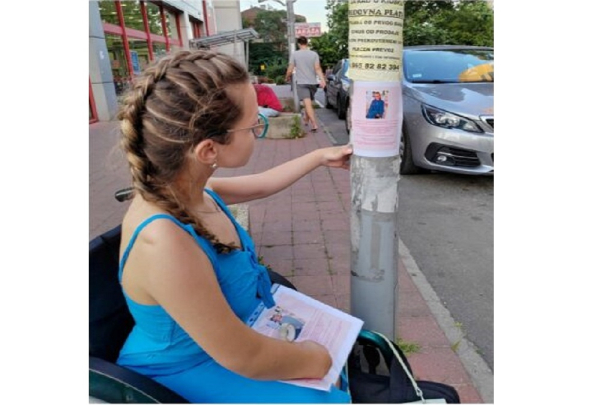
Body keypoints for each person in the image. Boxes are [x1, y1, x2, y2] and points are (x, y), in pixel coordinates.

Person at [115, 49, 353, 403]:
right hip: (183, 366)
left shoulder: (191, 191)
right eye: (255, 124)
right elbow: (246, 357)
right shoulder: (164, 240)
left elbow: (263, 183)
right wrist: (318, 357)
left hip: (228, 342)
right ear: (209, 150)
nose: (259, 130)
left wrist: (319, 156)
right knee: (329, 395)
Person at [285, 36, 326, 132]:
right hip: (313, 83)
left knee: (307, 104)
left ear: (298, 44)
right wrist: (322, 79)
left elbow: (290, 69)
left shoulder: (295, 54)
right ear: (307, 43)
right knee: (309, 103)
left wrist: (287, 76)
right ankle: (306, 119)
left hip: (302, 83)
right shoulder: (314, 54)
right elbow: (317, 68)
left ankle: (314, 123)